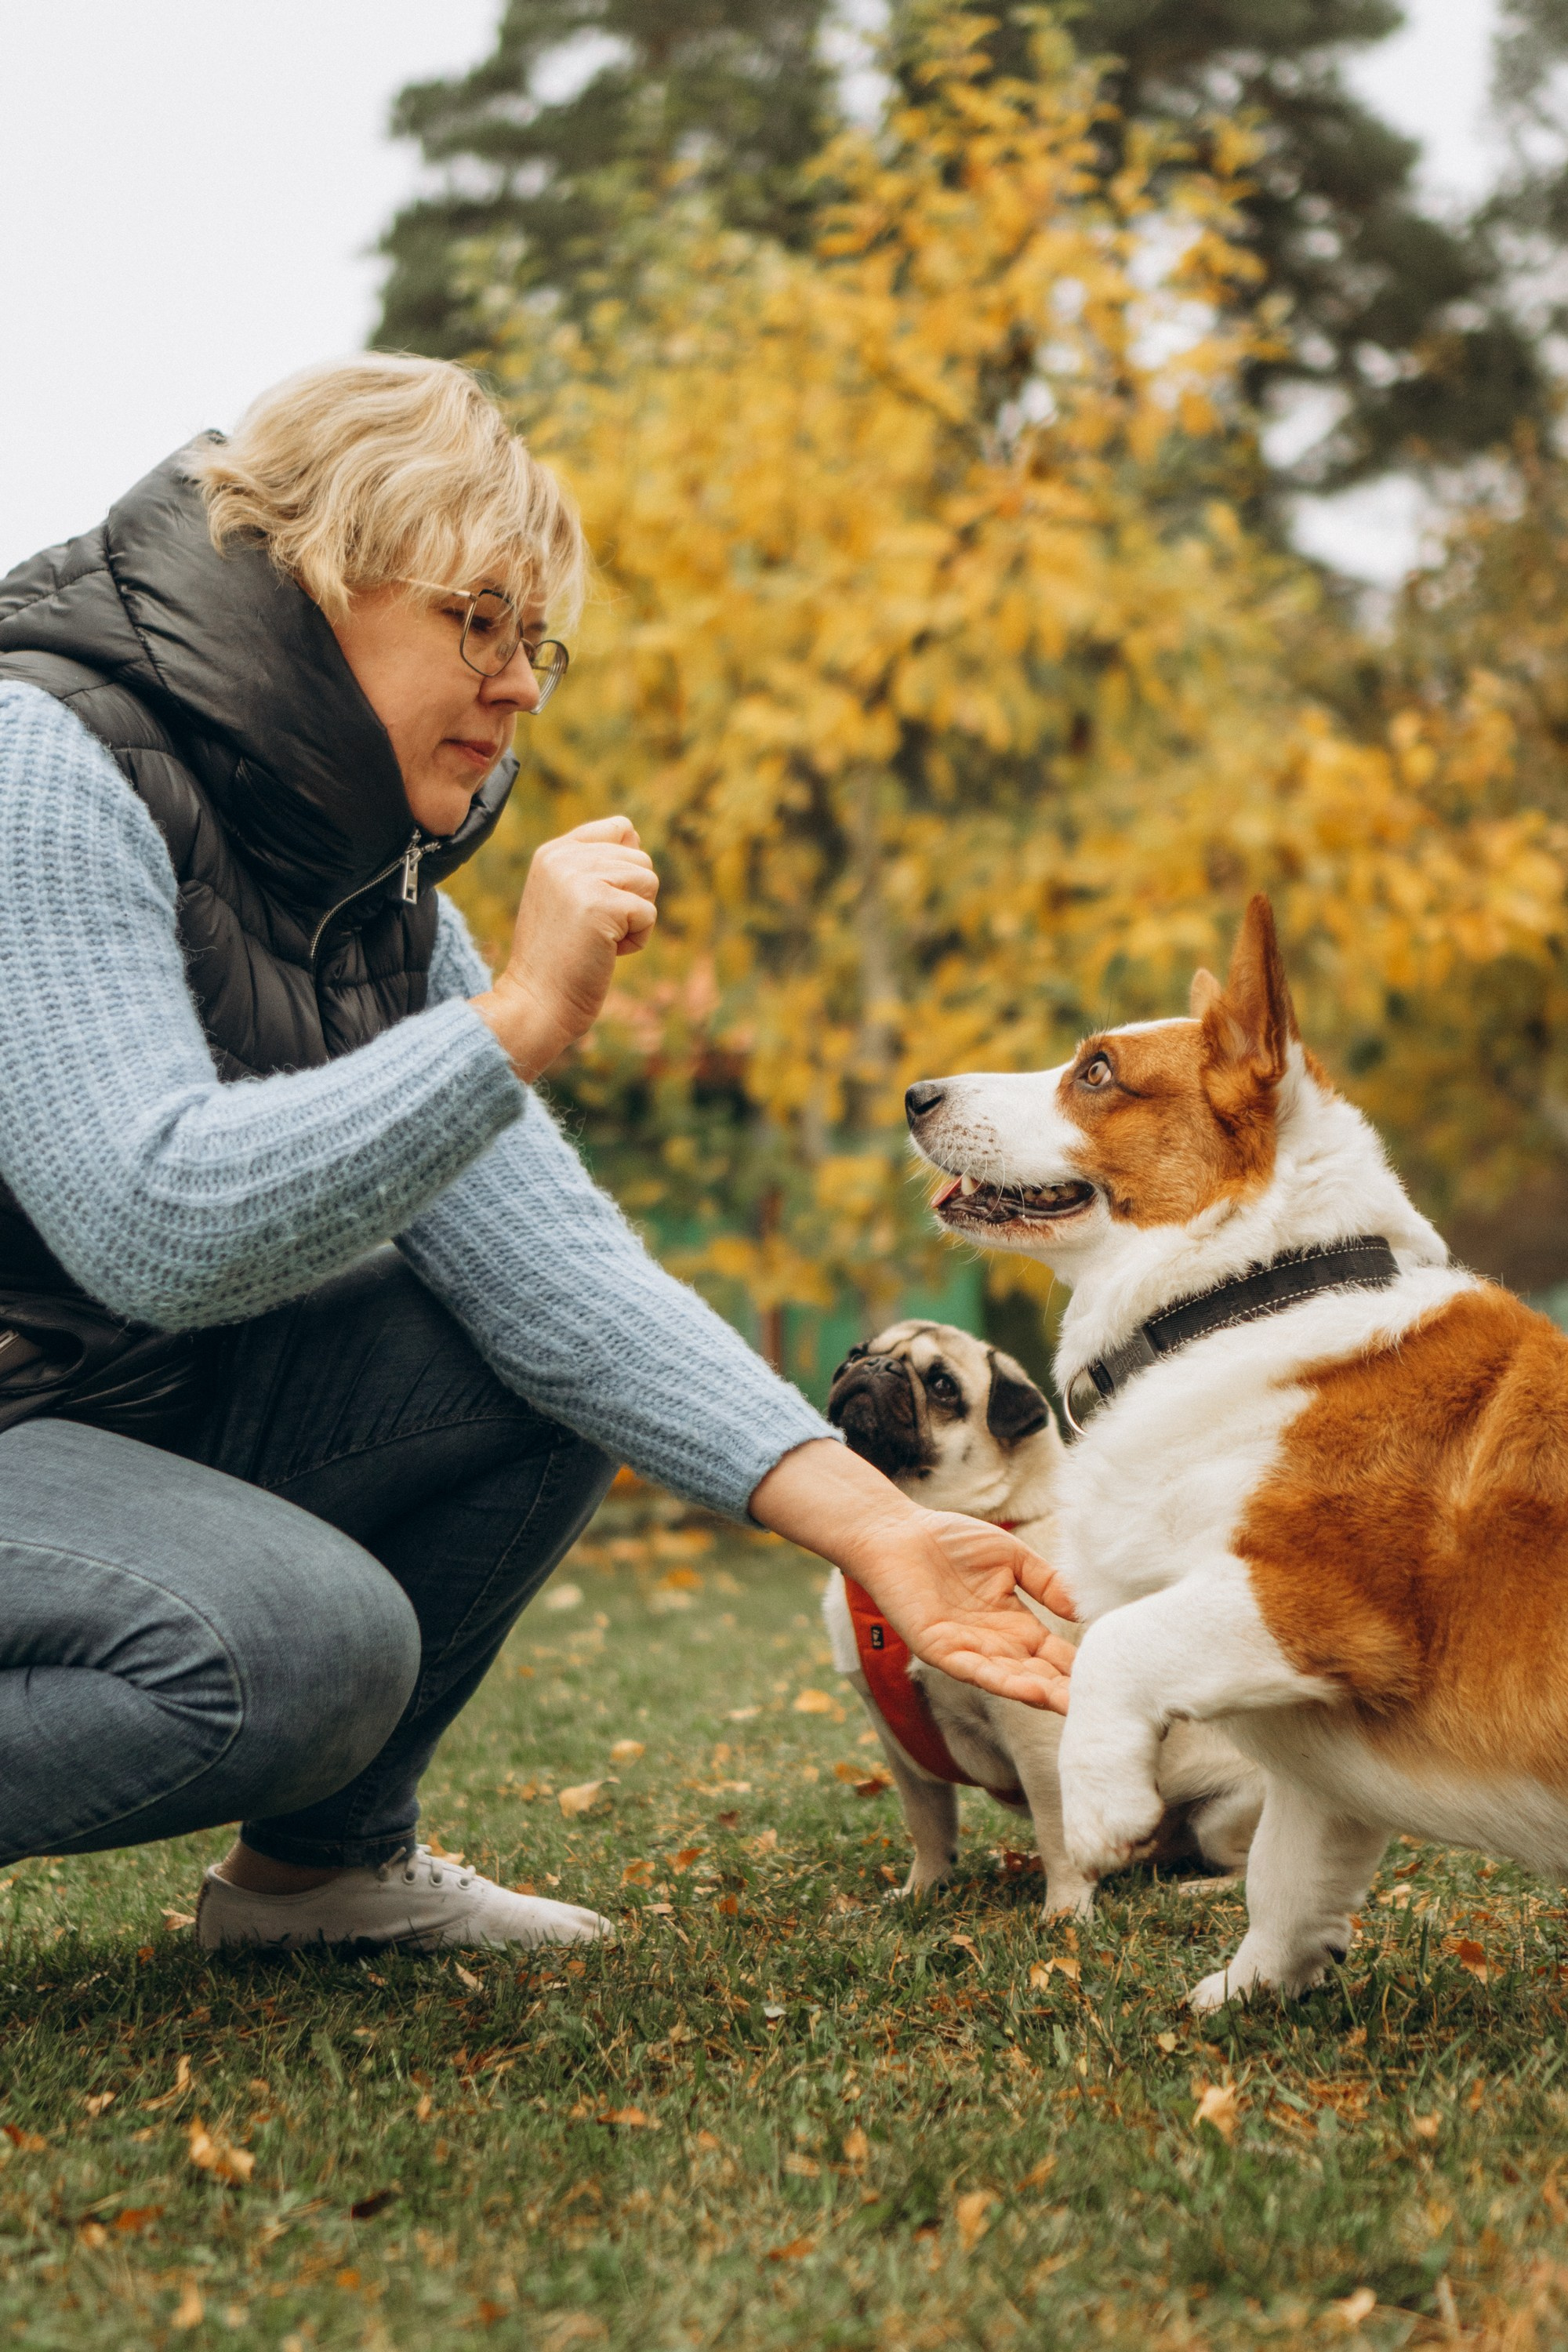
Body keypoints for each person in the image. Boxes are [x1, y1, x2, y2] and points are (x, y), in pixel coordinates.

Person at [0, 354, 1073, 1955]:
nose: (519, 688)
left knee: (535, 1361)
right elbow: (144, 1216)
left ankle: (322, 1879)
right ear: (320, 581)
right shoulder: (42, 763)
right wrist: (510, 1024)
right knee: (298, 1646)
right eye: (478, 624)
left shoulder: (368, 877)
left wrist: (889, 1533)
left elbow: (560, 1282)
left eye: (534, 642)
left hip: (100, 1406)